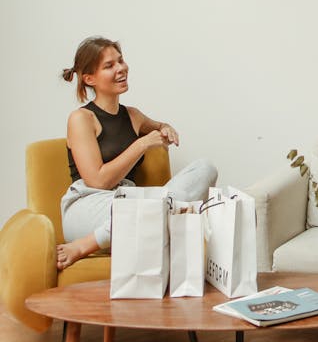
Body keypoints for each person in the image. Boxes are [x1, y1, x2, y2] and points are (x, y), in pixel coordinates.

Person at [58, 35, 217, 270]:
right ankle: (84, 245)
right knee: (150, 207)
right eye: (109, 65)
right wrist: (142, 144)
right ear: (89, 78)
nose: (121, 68)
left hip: (131, 204)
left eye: (120, 61)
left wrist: (165, 128)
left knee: (205, 169)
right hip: (89, 206)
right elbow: (97, 180)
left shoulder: (133, 116)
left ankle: (155, 215)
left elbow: (159, 127)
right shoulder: (81, 118)